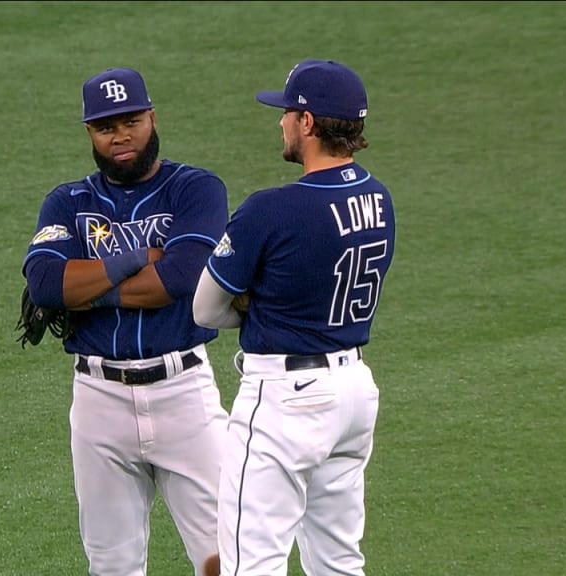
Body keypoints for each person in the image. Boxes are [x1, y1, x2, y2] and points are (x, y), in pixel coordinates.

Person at [21, 68, 230, 576]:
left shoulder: (195, 189)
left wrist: (88, 291)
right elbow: (45, 285)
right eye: (105, 126)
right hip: (99, 402)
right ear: (89, 133)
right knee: (111, 564)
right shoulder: (67, 201)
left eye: (132, 121)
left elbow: (181, 277)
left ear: (152, 118)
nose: (120, 136)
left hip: (183, 392)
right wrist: (135, 260)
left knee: (228, 554)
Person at [193, 59, 396, 576]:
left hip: (287, 402)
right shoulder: (379, 198)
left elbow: (205, 310)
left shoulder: (271, 209)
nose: (280, 122)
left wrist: (258, 305)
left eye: (286, 112)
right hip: (353, 392)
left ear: (307, 123)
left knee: (251, 564)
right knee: (339, 564)